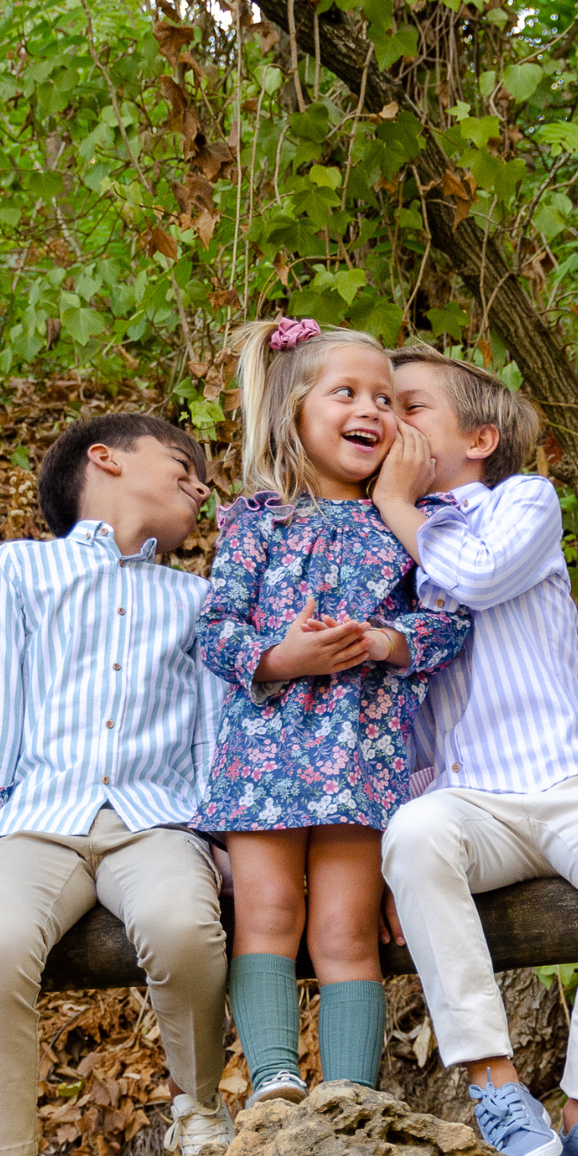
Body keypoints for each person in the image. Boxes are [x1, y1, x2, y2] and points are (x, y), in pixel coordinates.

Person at [0, 412, 233, 1156]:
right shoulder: (19, 569)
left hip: (157, 820)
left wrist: (225, 846)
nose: (200, 488)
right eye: (184, 466)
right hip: (39, 821)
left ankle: (199, 1114)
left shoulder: (198, 598)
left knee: (182, 928)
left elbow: (211, 736)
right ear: (106, 460)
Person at [372, 345, 578, 1156]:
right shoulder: (375, 542)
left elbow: (475, 575)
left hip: (574, 776)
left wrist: (401, 502)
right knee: (414, 836)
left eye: (410, 407)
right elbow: (387, 705)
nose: (389, 423)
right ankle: (495, 1083)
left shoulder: (520, 501)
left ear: (477, 439)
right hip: (472, 796)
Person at [194, 316, 470, 1108]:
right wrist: (283, 656)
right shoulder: (258, 520)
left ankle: (351, 1094)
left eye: (387, 398)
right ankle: (275, 1079)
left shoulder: (413, 521)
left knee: (347, 928)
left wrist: (385, 641)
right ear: (293, 413)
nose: (373, 410)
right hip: (265, 754)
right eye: (347, 392)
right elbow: (215, 631)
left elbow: (450, 616)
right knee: (269, 912)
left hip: (362, 752)